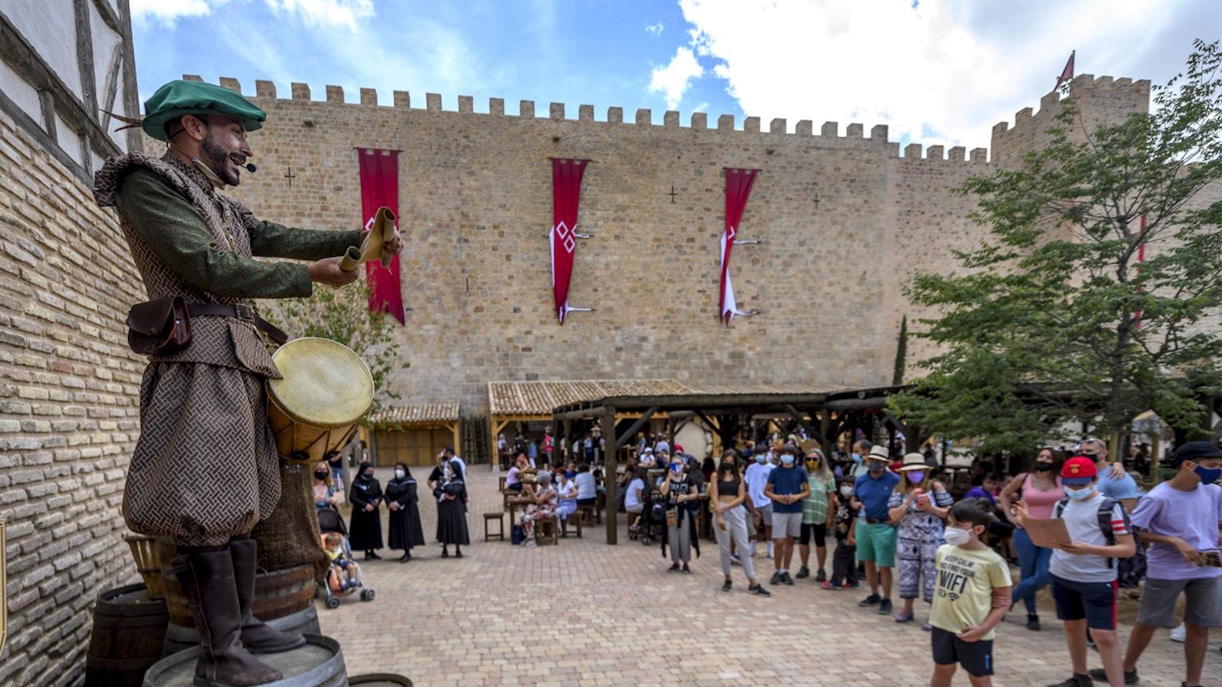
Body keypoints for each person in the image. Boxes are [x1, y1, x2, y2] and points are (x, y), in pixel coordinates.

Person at [92, 79, 406, 686]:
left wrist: (361, 243)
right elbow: (206, 268)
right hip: (198, 360)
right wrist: (307, 278)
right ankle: (221, 651)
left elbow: (278, 238)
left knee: (243, 501)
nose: (244, 145)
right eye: (235, 131)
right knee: (205, 503)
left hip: (238, 357)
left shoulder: (221, 202)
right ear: (192, 127)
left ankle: (241, 624)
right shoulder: (147, 184)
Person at [1087, 441, 1222, 687]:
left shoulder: (1214, 492)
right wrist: (1172, 541)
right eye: (1212, 466)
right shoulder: (1159, 496)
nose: (1217, 471)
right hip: (1167, 570)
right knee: (1149, 622)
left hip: (1208, 568)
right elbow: (1135, 530)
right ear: (1188, 465)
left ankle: (1193, 682)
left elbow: (1215, 524)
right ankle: (1126, 669)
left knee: (1200, 626)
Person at [1013, 456, 1136, 687]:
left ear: (1094, 480)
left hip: (1097, 579)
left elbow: (1128, 548)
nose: (1075, 489)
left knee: (1104, 635)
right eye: (1071, 484)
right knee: (1072, 626)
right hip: (1063, 574)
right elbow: (1049, 537)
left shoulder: (1110, 507)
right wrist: (1027, 521)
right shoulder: (1062, 505)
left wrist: (1089, 549)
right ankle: (1080, 676)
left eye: (1081, 484)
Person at [928, 499, 1013, 687]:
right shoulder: (943, 551)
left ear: (978, 529)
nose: (951, 529)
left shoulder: (993, 561)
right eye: (949, 523)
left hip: (973, 630)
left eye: (958, 525)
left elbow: (1004, 600)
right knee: (942, 670)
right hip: (942, 625)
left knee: (978, 677)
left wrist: (983, 629)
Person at [998, 447, 1065, 631]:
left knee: (1044, 575)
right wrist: (1010, 516)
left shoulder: (1063, 480)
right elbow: (1004, 494)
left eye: (1048, 457)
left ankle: (1008, 600)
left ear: (1056, 461)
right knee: (1028, 573)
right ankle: (1032, 614)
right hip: (1026, 530)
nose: (1043, 459)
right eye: (1041, 455)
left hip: (1051, 531)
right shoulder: (1024, 478)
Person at [890, 452, 955, 626]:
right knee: (907, 573)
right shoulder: (899, 490)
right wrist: (908, 500)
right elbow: (893, 516)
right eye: (912, 471)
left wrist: (931, 509)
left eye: (919, 470)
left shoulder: (935, 487)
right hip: (907, 539)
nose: (915, 474)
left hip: (932, 539)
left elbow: (951, 512)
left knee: (933, 575)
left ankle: (934, 613)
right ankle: (907, 608)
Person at [710, 450, 770, 595]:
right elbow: (714, 495)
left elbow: (742, 496)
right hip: (720, 510)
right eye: (726, 460)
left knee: (743, 546)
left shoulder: (740, 477)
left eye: (731, 461)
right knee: (725, 549)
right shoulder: (715, 476)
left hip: (736, 511)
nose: (728, 464)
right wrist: (719, 513)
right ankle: (727, 578)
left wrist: (728, 507)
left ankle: (753, 581)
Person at [854, 444, 901, 615]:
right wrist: (856, 504)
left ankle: (887, 597)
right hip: (864, 522)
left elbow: (903, 501)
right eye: (872, 460)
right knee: (867, 561)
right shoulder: (861, 479)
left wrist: (897, 518)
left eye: (878, 461)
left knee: (884, 564)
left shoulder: (894, 479)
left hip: (884, 524)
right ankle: (874, 593)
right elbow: (854, 498)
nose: (874, 463)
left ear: (885, 463)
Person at [764, 446, 810, 586]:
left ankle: (786, 570)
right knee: (779, 541)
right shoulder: (775, 472)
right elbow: (767, 491)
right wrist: (777, 497)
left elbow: (807, 491)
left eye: (789, 454)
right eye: (784, 454)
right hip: (779, 509)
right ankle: (777, 570)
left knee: (790, 540)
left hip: (795, 508)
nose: (786, 456)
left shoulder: (800, 471)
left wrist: (797, 496)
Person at [797, 448, 837, 582]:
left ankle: (821, 568)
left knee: (820, 541)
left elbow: (832, 497)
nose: (811, 462)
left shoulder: (827, 475)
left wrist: (829, 517)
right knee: (804, 540)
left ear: (820, 460)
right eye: (809, 459)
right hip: (804, 511)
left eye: (815, 459)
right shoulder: (802, 474)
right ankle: (804, 566)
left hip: (820, 512)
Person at [660, 458, 700, 573]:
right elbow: (664, 492)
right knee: (673, 537)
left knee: (684, 536)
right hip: (671, 511)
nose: (676, 466)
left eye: (679, 464)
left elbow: (695, 494)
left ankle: (686, 562)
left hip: (684, 510)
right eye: (674, 464)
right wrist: (669, 477)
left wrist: (685, 497)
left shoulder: (689, 479)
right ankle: (675, 561)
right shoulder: (667, 478)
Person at [384, 462, 424, 563]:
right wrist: (390, 503)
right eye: (396, 469)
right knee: (398, 530)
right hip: (395, 510)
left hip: (407, 509)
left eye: (400, 469)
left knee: (407, 529)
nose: (398, 471)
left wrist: (398, 503)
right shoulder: (391, 482)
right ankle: (400, 546)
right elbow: (387, 494)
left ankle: (407, 551)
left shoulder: (411, 482)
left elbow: (411, 494)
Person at [826, 477, 860, 590]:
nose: (845, 487)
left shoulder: (854, 501)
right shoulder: (844, 500)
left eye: (849, 485)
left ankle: (836, 581)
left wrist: (851, 534)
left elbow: (855, 517)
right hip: (841, 532)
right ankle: (852, 580)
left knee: (839, 557)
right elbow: (844, 512)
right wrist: (837, 503)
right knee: (848, 558)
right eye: (843, 484)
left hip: (848, 535)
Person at [348, 462, 384, 560]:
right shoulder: (356, 482)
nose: (370, 473)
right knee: (364, 532)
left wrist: (377, 500)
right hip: (361, 512)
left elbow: (380, 494)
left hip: (373, 510)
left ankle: (372, 550)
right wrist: (364, 505)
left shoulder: (375, 482)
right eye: (368, 471)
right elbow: (352, 497)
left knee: (373, 531)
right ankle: (366, 551)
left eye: (372, 471)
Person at [744, 449, 776, 558]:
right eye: (757, 454)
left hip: (767, 500)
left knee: (769, 525)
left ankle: (770, 547)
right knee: (753, 525)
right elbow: (746, 482)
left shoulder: (772, 468)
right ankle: (752, 547)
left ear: (766, 454)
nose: (759, 456)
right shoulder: (751, 468)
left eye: (761, 453)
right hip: (753, 501)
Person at [436, 460, 470, 557]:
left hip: (456, 507)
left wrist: (447, 484)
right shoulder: (442, 479)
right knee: (444, 527)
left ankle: (458, 549)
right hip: (444, 506)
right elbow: (436, 490)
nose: (447, 469)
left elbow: (453, 491)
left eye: (449, 468)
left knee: (456, 527)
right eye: (447, 468)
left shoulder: (458, 481)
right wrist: (443, 495)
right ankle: (444, 549)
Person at [625, 467, 649, 535]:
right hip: (633, 505)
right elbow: (639, 496)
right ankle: (637, 523)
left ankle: (638, 522)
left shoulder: (634, 481)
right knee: (648, 509)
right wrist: (643, 501)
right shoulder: (640, 482)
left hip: (628, 504)